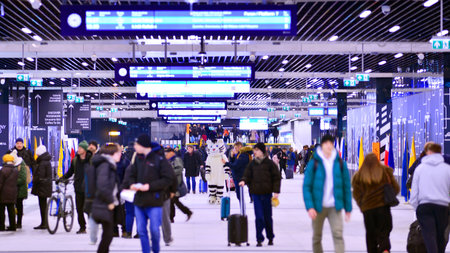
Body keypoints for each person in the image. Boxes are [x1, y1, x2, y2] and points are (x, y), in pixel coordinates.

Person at [124, 134, 174, 253]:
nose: (134, 147)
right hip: (139, 201)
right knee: (141, 230)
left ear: (143, 145)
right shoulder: (137, 159)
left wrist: (150, 186)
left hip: (155, 200)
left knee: (154, 230)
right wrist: (131, 184)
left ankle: (156, 249)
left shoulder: (159, 159)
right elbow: (131, 174)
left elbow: (168, 178)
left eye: (136, 144)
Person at [303, 135, 352, 253]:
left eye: (331, 143)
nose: (329, 145)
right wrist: (310, 207)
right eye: (326, 143)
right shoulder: (314, 163)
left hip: (335, 206)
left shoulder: (340, 163)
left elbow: (346, 187)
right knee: (316, 237)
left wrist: (348, 208)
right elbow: (306, 187)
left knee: (338, 235)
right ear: (322, 145)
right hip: (318, 206)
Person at [352, 153, 400, 253]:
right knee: (384, 233)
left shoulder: (359, 176)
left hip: (368, 210)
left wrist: (362, 204)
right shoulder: (385, 172)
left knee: (370, 235)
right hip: (383, 208)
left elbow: (356, 193)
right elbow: (395, 188)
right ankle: (385, 249)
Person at [410, 143, 450, 253]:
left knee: (429, 235)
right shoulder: (447, 169)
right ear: (440, 152)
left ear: (428, 152)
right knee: (440, 236)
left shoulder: (420, 169)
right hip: (442, 207)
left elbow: (414, 193)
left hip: (425, 207)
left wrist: (416, 207)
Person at [239, 143, 281, 247]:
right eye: (254, 150)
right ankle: (259, 238)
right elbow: (247, 174)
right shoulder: (252, 163)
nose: (255, 152)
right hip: (256, 195)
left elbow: (276, 178)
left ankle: (270, 237)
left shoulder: (270, 164)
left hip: (267, 194)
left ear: (262, 151)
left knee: (267, 217)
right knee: (259, 217)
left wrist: (276, 191)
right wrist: (243, 181)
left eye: (257, 150)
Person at [91, 143, 123, 253]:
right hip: (103, 203)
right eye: (119, 153)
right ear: (112, 154)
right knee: (108, 235)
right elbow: (102, 184)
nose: (120, 155)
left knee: (108, 234)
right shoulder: (105, 165)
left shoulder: (109, 164)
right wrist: (110, 200)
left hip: (105, 203)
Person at [63, 140, 93, 234]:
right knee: (79, 209)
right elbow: (70, 172)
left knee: (88, 209)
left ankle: (92, 225)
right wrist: (62, 178)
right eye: (78, 148)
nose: (78, 149)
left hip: (89, 188)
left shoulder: (91, 160)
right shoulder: (75, 160)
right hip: (78, 187)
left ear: (84, 150)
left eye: (80, 148)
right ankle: (82, 227)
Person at [166, 148, 192, 223]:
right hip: (171, 183)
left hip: (176, 183)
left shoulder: (176, 159)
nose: (166, 155)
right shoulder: (170, 160)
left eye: (167, 153)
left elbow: (180, 168)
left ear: (172, 153)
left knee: (172, 200)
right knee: (174, 200)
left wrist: (170, 172)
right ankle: (187, 212)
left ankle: (172, 217)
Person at [31, 145, 52, 230]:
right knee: (43, 205)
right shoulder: (46, 161)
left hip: (42, 186)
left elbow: (40, 175)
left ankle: (44, 223)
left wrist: (35, 180)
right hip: (44, 186)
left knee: (43, 205)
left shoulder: (43, 162)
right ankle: (44, 222)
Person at [0, 154, 18, 231]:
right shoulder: (15, 170)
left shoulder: (3, 170)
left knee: (1, 211)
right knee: (11, 210)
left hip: (3, 194)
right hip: (13, 192)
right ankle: (13, 226)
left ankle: (1, 226)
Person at [10, 150, 28, 229]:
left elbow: (23, 179)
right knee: (14, 206)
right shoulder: (13, 165)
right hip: (14, 189)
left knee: (19, 206)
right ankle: (14, 223)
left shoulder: (21, 164)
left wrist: (12, 182)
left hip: (20, 190)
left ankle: (19, 222)